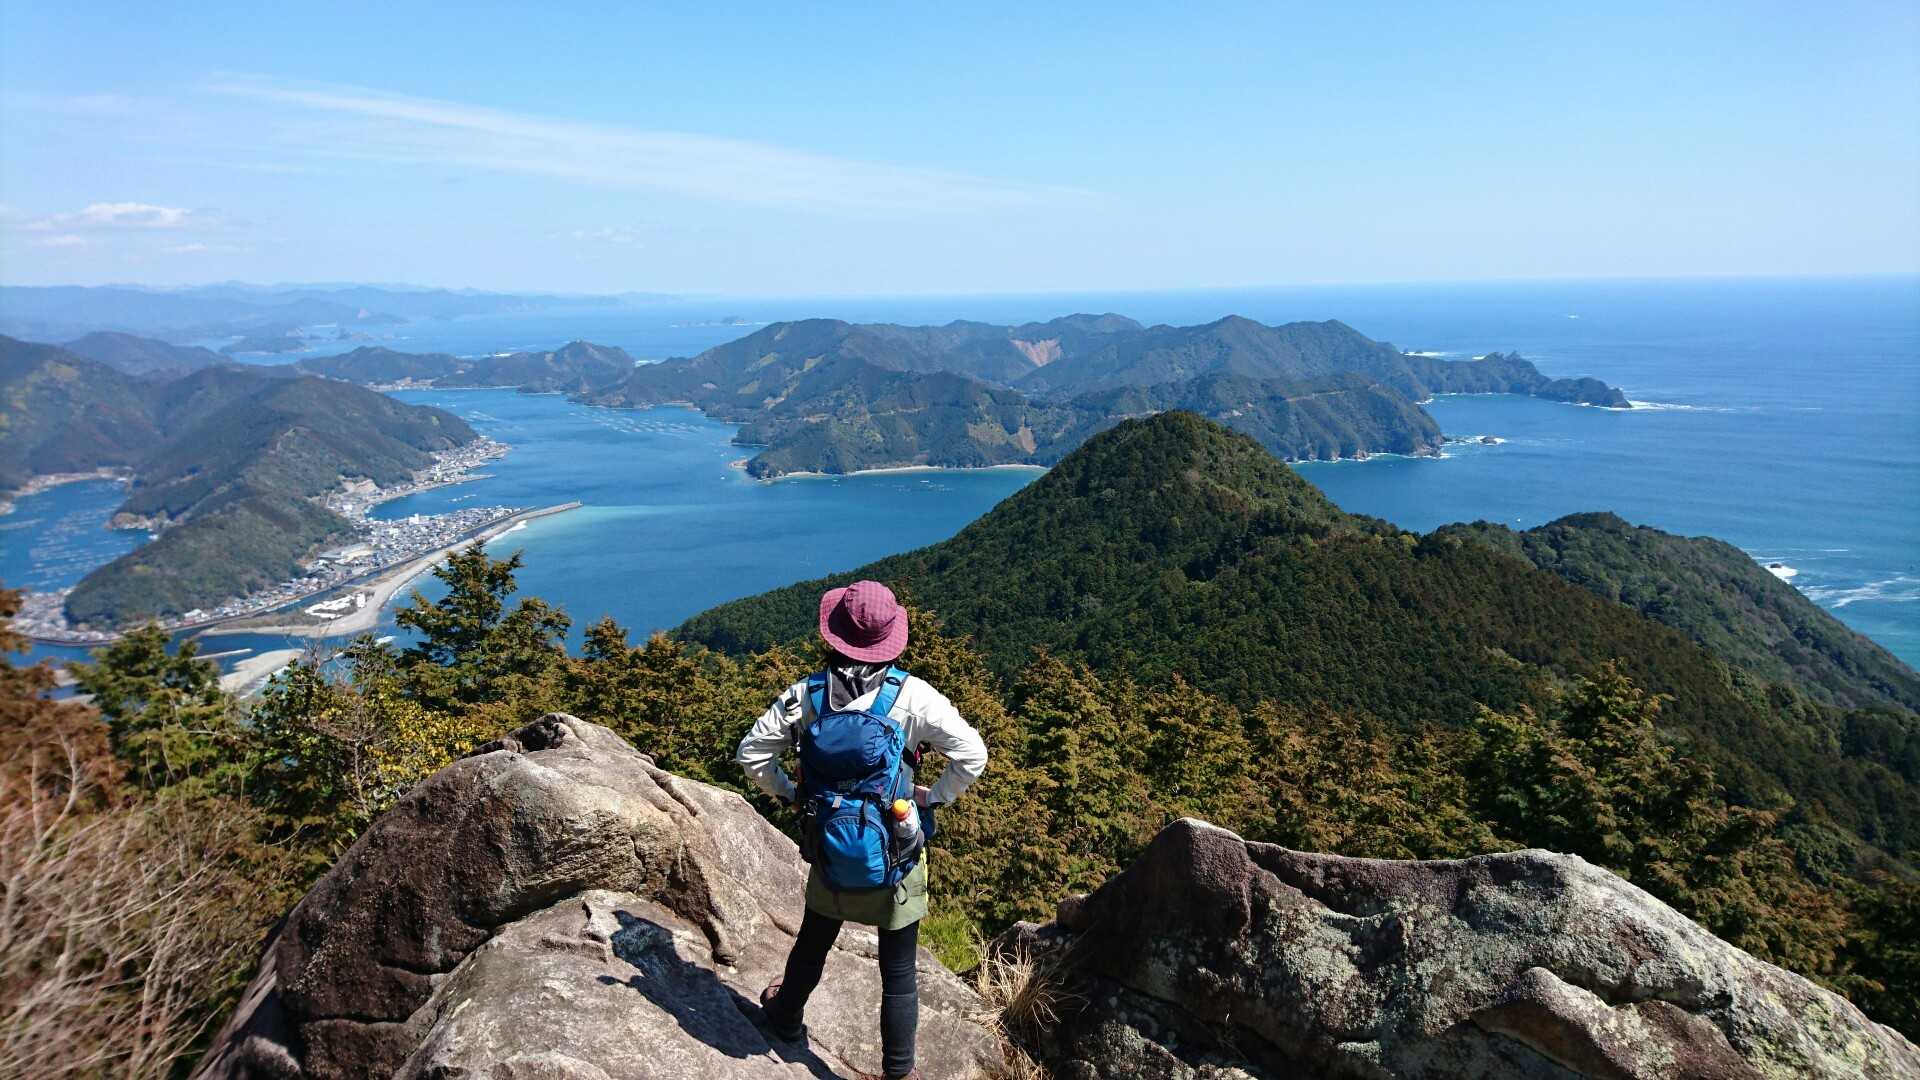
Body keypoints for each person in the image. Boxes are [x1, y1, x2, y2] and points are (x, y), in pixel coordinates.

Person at [735, 580, 988, 1080]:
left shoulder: (806, 696)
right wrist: (933, 797)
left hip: (830, 847)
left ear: (833, 636)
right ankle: (899, 1073)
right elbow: (973, 756)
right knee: (898, 971)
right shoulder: (914, 697)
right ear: (891, 639)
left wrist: (791, 793)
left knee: (813, 942)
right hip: (895, 852)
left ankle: (785, 1016)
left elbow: (752, 754)